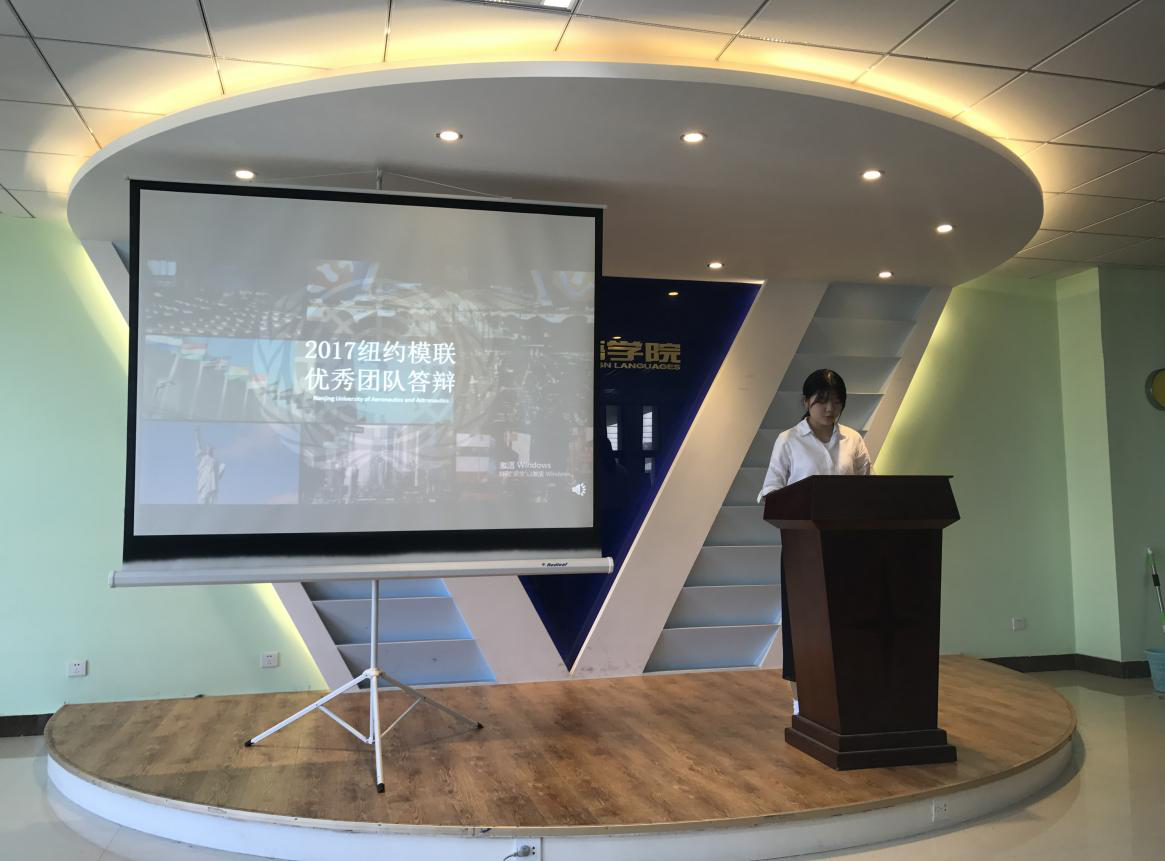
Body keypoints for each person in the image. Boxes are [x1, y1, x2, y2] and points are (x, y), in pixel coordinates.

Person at [756, 369, 871, 715]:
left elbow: (869, 487)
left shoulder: (853, 439)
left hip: (847, 546)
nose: (830, 408)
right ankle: (800, 699)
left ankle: (847, 691)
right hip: (802, 548)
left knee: (846, 621)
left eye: (836, 401)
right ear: (806, 402)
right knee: (802, 625)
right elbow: (770, 492)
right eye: (822, 401)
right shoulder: (788, 440)